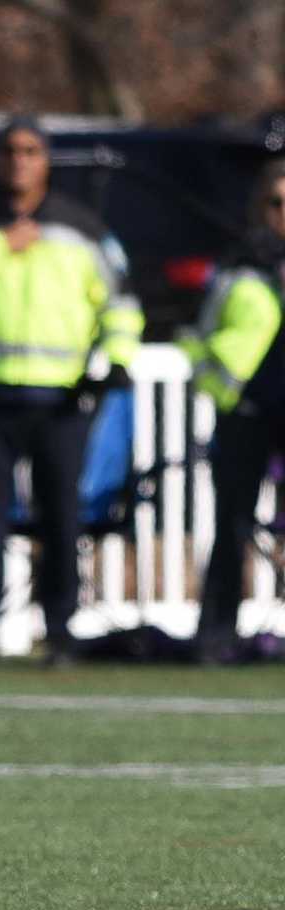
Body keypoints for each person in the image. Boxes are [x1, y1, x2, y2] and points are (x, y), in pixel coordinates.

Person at [0, 118, 145, 667]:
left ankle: (61, 635)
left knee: (61, 519)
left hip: (61, 398)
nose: (19, 160)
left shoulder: (80, 226)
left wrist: (116, 359)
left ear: (45, 159)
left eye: (30, 150)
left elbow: (119, 300)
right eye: (9, 150)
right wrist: (0, 248)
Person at [186, 158, 285, 664]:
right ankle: (217, 632)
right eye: (276, 204)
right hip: (247, 410)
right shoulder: (239, 267)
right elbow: (203, 337)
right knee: (232, 526)